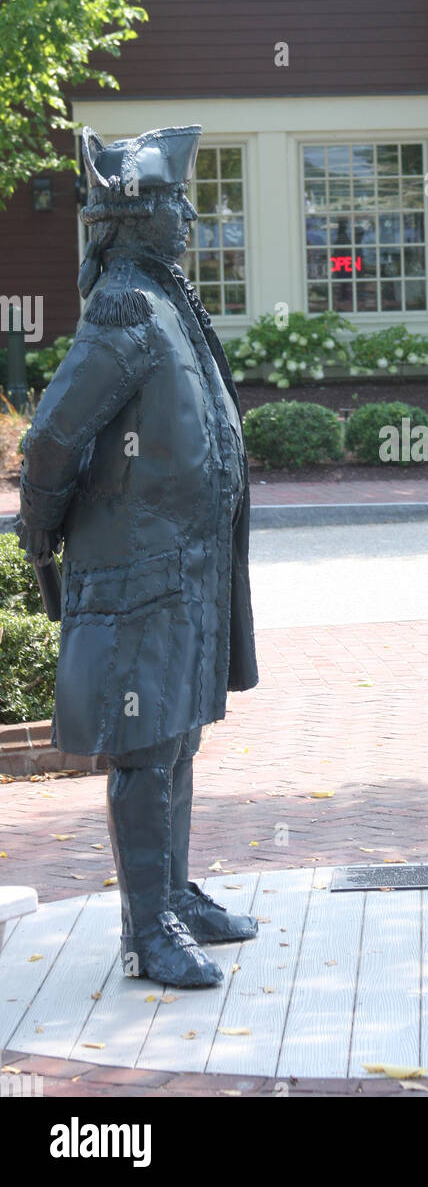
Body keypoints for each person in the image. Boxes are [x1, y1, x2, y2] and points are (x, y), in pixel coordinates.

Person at [16, 125, 259, 987]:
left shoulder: (163, 297)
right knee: (145, 745)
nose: (187, 213)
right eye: (167, 201)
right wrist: (37, 525)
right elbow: (52, 438)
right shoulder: (125, 305)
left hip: (186, 565)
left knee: (179, 732)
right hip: (143, 565)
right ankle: (147, 928)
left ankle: (174, 897)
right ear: (127, 215)